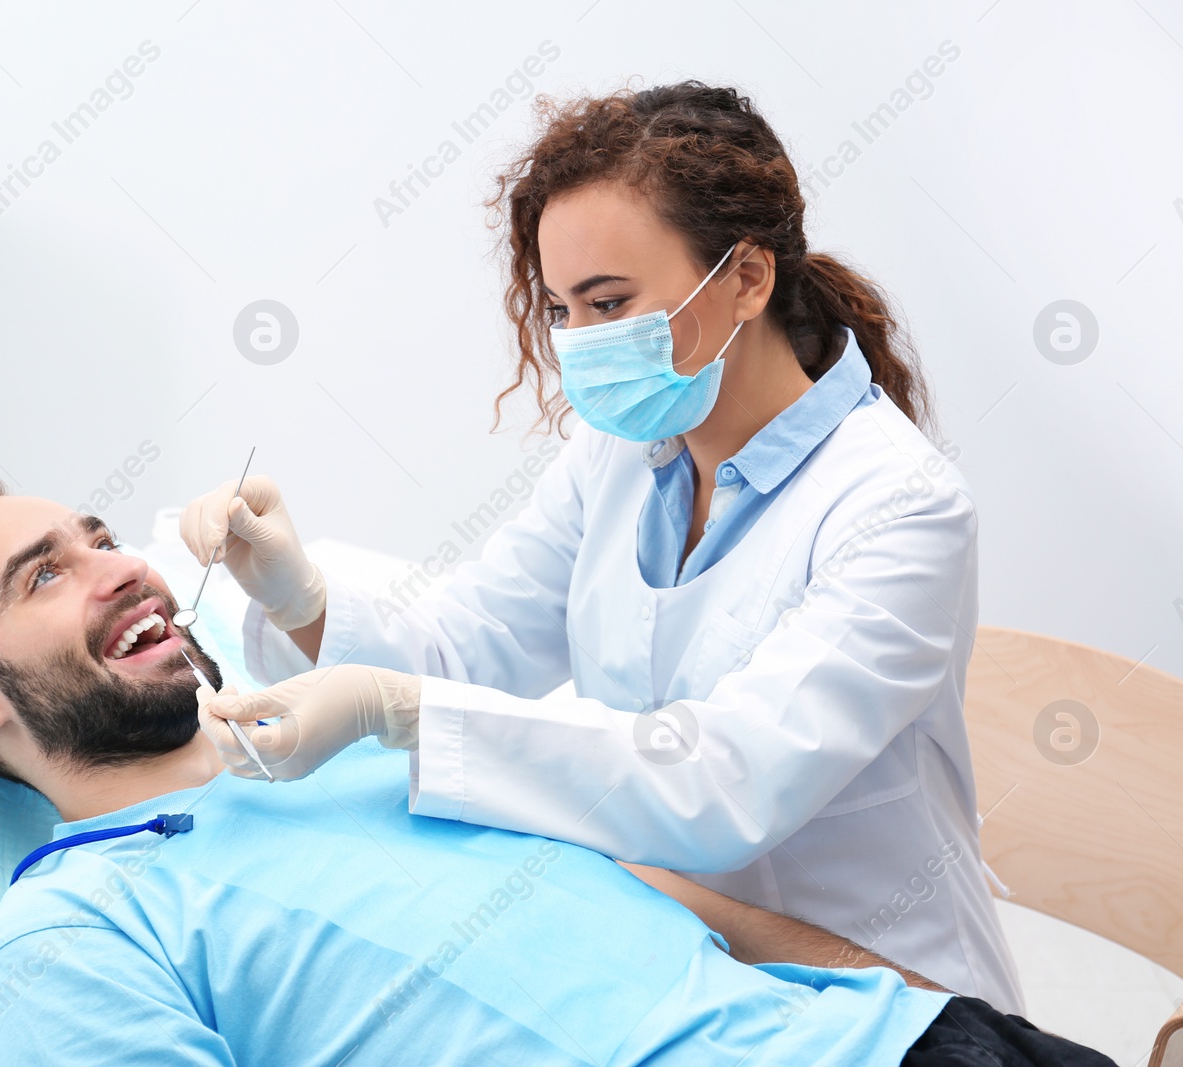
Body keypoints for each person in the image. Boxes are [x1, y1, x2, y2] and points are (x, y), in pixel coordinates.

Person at [187, 80, 1025, 1011]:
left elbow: (724, 782)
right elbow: (466, 652)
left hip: (869, 986)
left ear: (747, 277)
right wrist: (301, 597)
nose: (579, 344)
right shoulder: (622, 455)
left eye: (610, 302)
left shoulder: (900, 506)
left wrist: (403, 710)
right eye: (560, 311)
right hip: (682, 948)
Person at [0, 471, 1112, 1066]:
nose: (118, 563)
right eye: (44, 575)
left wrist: (970, 1022)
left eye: (98, 535)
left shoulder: (350, 752)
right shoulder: (70, 937)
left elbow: (698, 906)